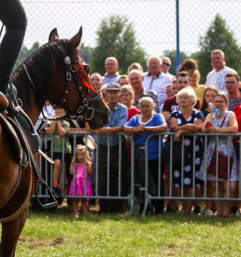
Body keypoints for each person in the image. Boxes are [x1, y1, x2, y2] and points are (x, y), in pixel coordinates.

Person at [124, 96, 168, 214]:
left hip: (155, 156)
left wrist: (146, 129)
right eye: (142, 106)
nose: (145, 108)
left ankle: (158, 208)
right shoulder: (136, 118)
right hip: (139, 156)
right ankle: (144, 207)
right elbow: (125, 128)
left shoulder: (158, 116)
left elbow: (163, 127)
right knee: (141, 181)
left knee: (156, 182)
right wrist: (134, 130)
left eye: (147, 105)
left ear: (153, 107)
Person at [201, 92, 238, 217]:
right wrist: (211, 114)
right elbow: (203, 128)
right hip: (213, 152)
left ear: (226, 103)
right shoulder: (212, 115)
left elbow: (234, 128)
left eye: (221, 101)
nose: (218, 104)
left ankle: (226, 212)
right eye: (216, 101)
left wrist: (217, 131)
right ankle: (221, 213)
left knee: (230, 185)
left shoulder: (230, 114)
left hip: (227, 153)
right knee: (216, 184)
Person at [93, 83, 129, 213]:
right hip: (103, 146)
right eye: (110, 92)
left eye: (115, 92)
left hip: (118, 146)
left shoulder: (123, 108)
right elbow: (96, 127)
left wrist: (105, 130)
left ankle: (117, 207)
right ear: (106, 94)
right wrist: (103, 130)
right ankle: (103, 207)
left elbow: (121, 126)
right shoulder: (100, 107)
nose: (113, 95)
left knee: (118, 176)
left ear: (119, 94)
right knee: (103, 176)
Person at [168, 86, 205, 212]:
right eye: (181, 98)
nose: (183, 100)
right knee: (181, 179)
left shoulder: (198, 113)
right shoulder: (175, 114)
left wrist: (180, 131)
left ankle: (189, 208)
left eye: (186, 98)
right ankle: (183, 207)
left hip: (195, 149)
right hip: (180, 150)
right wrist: (186, 128)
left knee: (193, 179)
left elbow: (197, 128)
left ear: (192, 100)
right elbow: (173, 128)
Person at [67, 144, 94, 219]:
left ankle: (86, 212)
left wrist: (89, 165)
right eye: (79, 155)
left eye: (83, 155)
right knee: (75, 199)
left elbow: (91, 173)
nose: (81, 156)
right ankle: (75, 212)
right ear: (76, 156)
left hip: (84, 183)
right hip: (76, 183)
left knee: (84, 199)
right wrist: (72, 164)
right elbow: (71, 172)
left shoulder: (88, 164)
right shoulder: (75, 164)